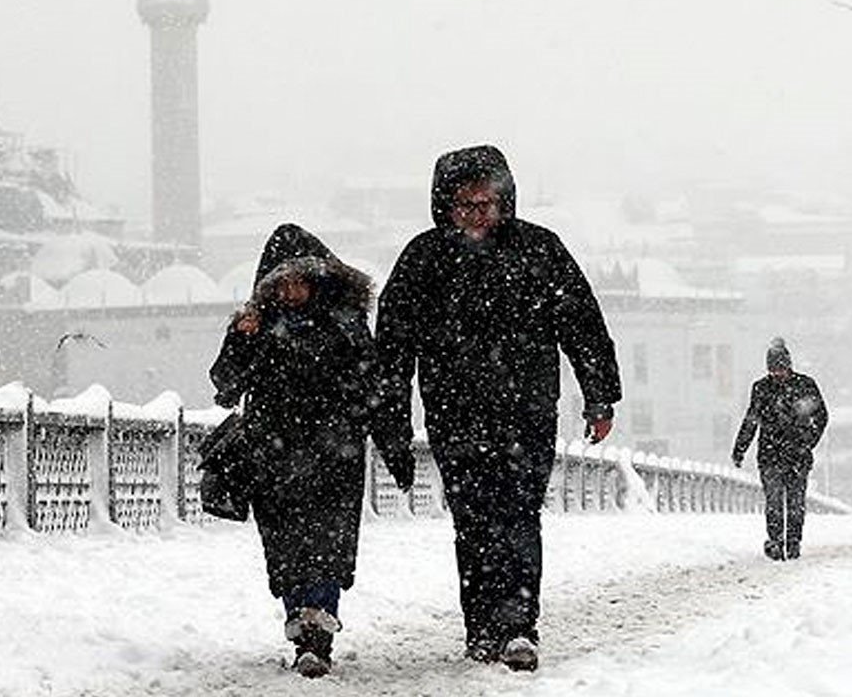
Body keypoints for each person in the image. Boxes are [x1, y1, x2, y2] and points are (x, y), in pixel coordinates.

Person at [374, 145, 621, 672]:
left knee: (517, 515)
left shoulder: (539, 250)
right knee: (473, 520)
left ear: (504, 202)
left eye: (487, 203)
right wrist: (391, 419)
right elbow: (392, 348)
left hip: (526, 412)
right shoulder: (423, 260)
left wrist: (600, 394)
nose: (478, 214)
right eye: (466, 204)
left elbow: (582, 324)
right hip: (454, 415)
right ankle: (482, 626)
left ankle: (516, 625)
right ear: (447, 206)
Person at [209, 223, 415, 679]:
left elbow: (375, 391)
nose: (293, 290)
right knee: (285, 549)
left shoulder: (346, 326)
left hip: (334, 457)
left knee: (327, 545)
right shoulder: (257, 327)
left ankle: (317, 634)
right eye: (283, 282)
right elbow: (225, 387)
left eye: (301, 279)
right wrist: (241, 338)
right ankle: (300, 624)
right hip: (273, 457)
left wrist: (395, 448)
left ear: (321, 278)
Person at [732, 337, 828, 561]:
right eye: (773, 370)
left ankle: (793, 543)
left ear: (789, 365)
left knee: (795, 502)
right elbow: (751, 420)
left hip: (796, 455)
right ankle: (776, 541)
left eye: (781, 369)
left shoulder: (805, 385)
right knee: (774, 502)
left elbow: (821, 416)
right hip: (770, 455)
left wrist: (807, 443)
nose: (778, 374)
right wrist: (740, 448)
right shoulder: (761, 388)